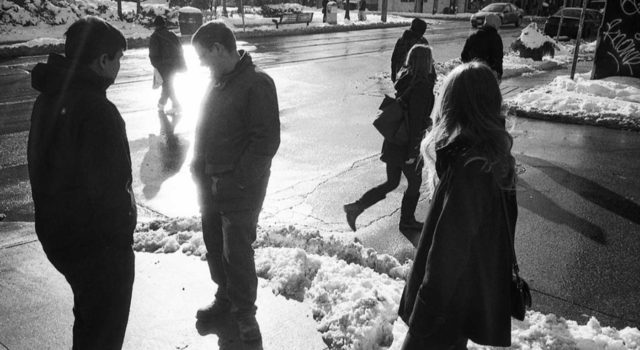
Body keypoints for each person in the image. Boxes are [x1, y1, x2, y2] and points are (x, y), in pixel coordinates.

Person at [27, 16, 136, 350]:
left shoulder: (50, 96)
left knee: (89, 319)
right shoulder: (97, 110)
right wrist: (121, 239)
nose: (119, 66)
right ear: (102, 60)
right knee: (104, 328)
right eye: (117, 58)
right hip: (97, 247)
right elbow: (110, 189)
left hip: (58, 234)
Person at [397, 61, 517, 350]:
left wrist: (424, 315)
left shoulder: (471, 169)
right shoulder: (490, 158)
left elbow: (447, 253)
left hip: (443, 310)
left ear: (455, 106)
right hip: (464, 303)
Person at [190, 21, 280, 349]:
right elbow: (203, 128)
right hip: (209, 184)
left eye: (203, 56)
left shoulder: (256, 83)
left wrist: (237, 182)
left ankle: (245, 314)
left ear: (218, 49)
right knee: (215, 245)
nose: (200, 63)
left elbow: (265, 142)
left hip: (241, 189)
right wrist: (197, 166)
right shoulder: (218, 82)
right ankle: (224, 298)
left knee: (237, 252)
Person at [344, 44, 436, 243]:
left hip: (394, 139)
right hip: (407, 144)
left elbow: (408, 112)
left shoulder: (405, 80)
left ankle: (356, 208)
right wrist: (413, 152)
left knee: (392, 182)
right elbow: (416, 119)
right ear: (426, 62)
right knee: (415, 182)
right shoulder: (422, 87)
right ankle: (407, 221)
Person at [149, 15, 186, 115]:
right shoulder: (171, 35)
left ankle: (167, 104)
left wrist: (156, 65)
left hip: (163, 66)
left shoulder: (155, 37)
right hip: (174, 65)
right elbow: (179, 48)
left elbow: (153, 55)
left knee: (167, 85)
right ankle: (173, 105)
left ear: (155, 25)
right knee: (169, 85)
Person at [461, 13, 504, 80]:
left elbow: (464, 55)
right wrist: (499, 73)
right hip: (488, 74)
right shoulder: (496, 38)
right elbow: (498, 58)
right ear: (495, 25)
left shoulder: (473, 35)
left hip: (472, 73)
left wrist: (470, 66)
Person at [391, 18, 429, 83]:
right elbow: (428, 61)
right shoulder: (422, 42)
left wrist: (394, 75)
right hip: (414, 77)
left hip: (401, 75)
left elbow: (394, 59)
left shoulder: (401, 40)